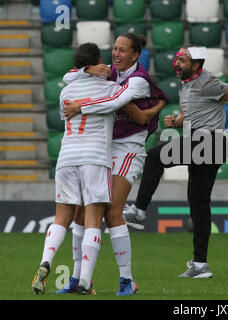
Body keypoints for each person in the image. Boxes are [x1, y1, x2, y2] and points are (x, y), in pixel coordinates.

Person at [122, 45, 228, 278]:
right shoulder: (185, 83)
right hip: (204, 143)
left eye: (183, 60)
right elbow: (195, 112)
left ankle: (140, 210)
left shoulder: (208, 82)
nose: (177, 63)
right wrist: (178, 121)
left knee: (154, 157)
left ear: (197, 65)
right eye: (178, 58)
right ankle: (200, 265)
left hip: (209, 142)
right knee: (198, 204)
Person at [31, 43, 151, 295]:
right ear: (98, 61)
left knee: (63, 217)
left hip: (66, 158)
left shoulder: (66, 92)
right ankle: (84, 280)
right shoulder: (110, 88)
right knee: (93, 219)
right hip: (95, 158)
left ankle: (46, 262)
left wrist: (83, 76)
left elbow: (68, 103)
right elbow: (119, 103)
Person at [53, 33, 168, 296]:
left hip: (128, 148)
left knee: (112, 211)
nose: (116, 54)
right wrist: (87, 68)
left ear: (136, 55)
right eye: (114, 49)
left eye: (123, 50)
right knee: (82, 214)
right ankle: (79, 279)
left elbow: (116, 101)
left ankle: (127, 281)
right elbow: (69, 77)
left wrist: (81, 105)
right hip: (102, 149)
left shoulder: (138, 80)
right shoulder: (109, 72)